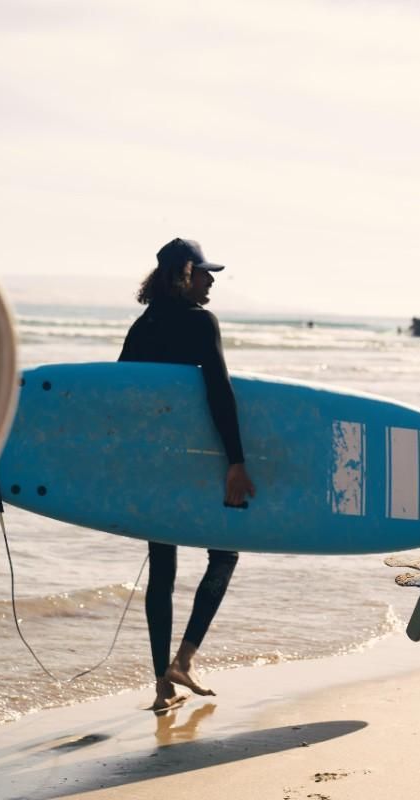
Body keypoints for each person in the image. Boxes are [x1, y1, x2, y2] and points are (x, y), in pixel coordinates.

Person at [118, 237, 256, 712]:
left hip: (156, 467)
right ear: (184, 275)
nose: (211, 279)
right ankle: (185, 659)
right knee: (225, 554)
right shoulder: (201, 323)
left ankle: (162, 682)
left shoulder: (143, 326)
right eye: (203, 272)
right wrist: (236, 461)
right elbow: (220, 391)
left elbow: (122, 396)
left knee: (163, 569)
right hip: (200, 463)